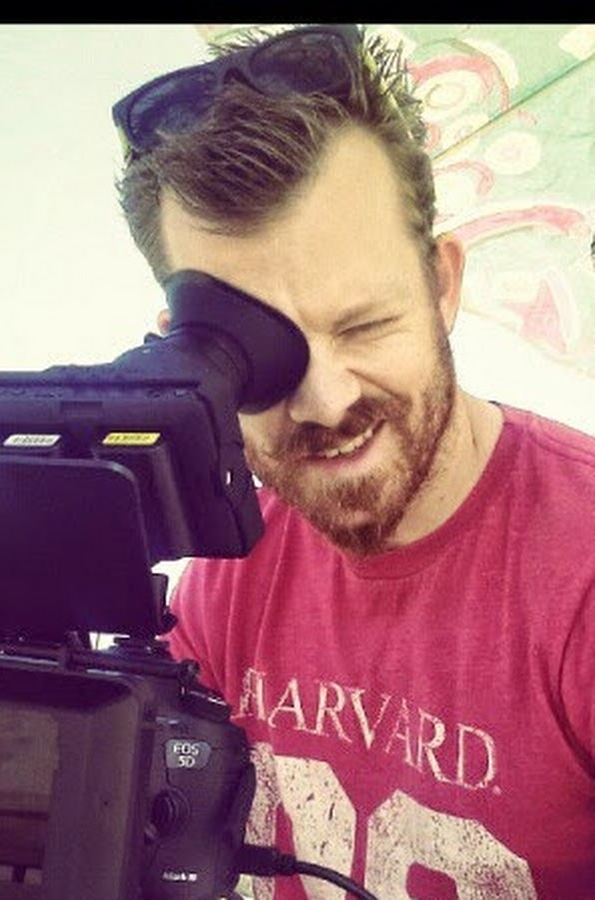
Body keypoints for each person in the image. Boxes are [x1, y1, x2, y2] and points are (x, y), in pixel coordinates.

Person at [113, 24, 595, 899]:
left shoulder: (581, 572)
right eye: (258, 356)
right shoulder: (226, 572)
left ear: (442, 285)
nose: (327, 403)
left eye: (366, 324)